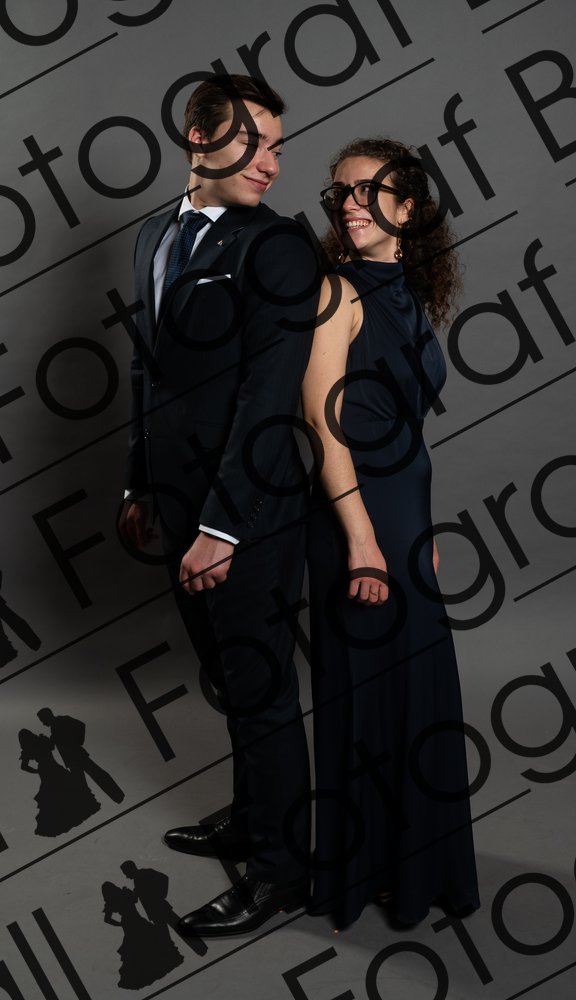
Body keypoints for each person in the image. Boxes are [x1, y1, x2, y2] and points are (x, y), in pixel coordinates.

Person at [120, 74, 319, 936]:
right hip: (175, 500)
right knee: (231, 682)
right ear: (198, 136)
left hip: (247, 514)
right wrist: (139, 481)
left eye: (277, 147)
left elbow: (269, 397)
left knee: (261, 686)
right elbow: (150, 367)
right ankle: (249, 820)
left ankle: (281, 872)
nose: (271, 163)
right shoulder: (155, 233)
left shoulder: (279, 247)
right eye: (253, 142)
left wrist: (221, 526)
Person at [302, 138, 480, 927]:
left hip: (406, 519)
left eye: (369, 191)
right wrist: (363, 541)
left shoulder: (407, 292)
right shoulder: (335, 292)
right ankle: (368, 868)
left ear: (408, 209)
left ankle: (415, 866)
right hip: (356, 517)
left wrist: (420, 528)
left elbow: (407, 428)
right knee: (368, 692)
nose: (351, 205)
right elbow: (324, 426)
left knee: (417, 690)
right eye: (341, 192)